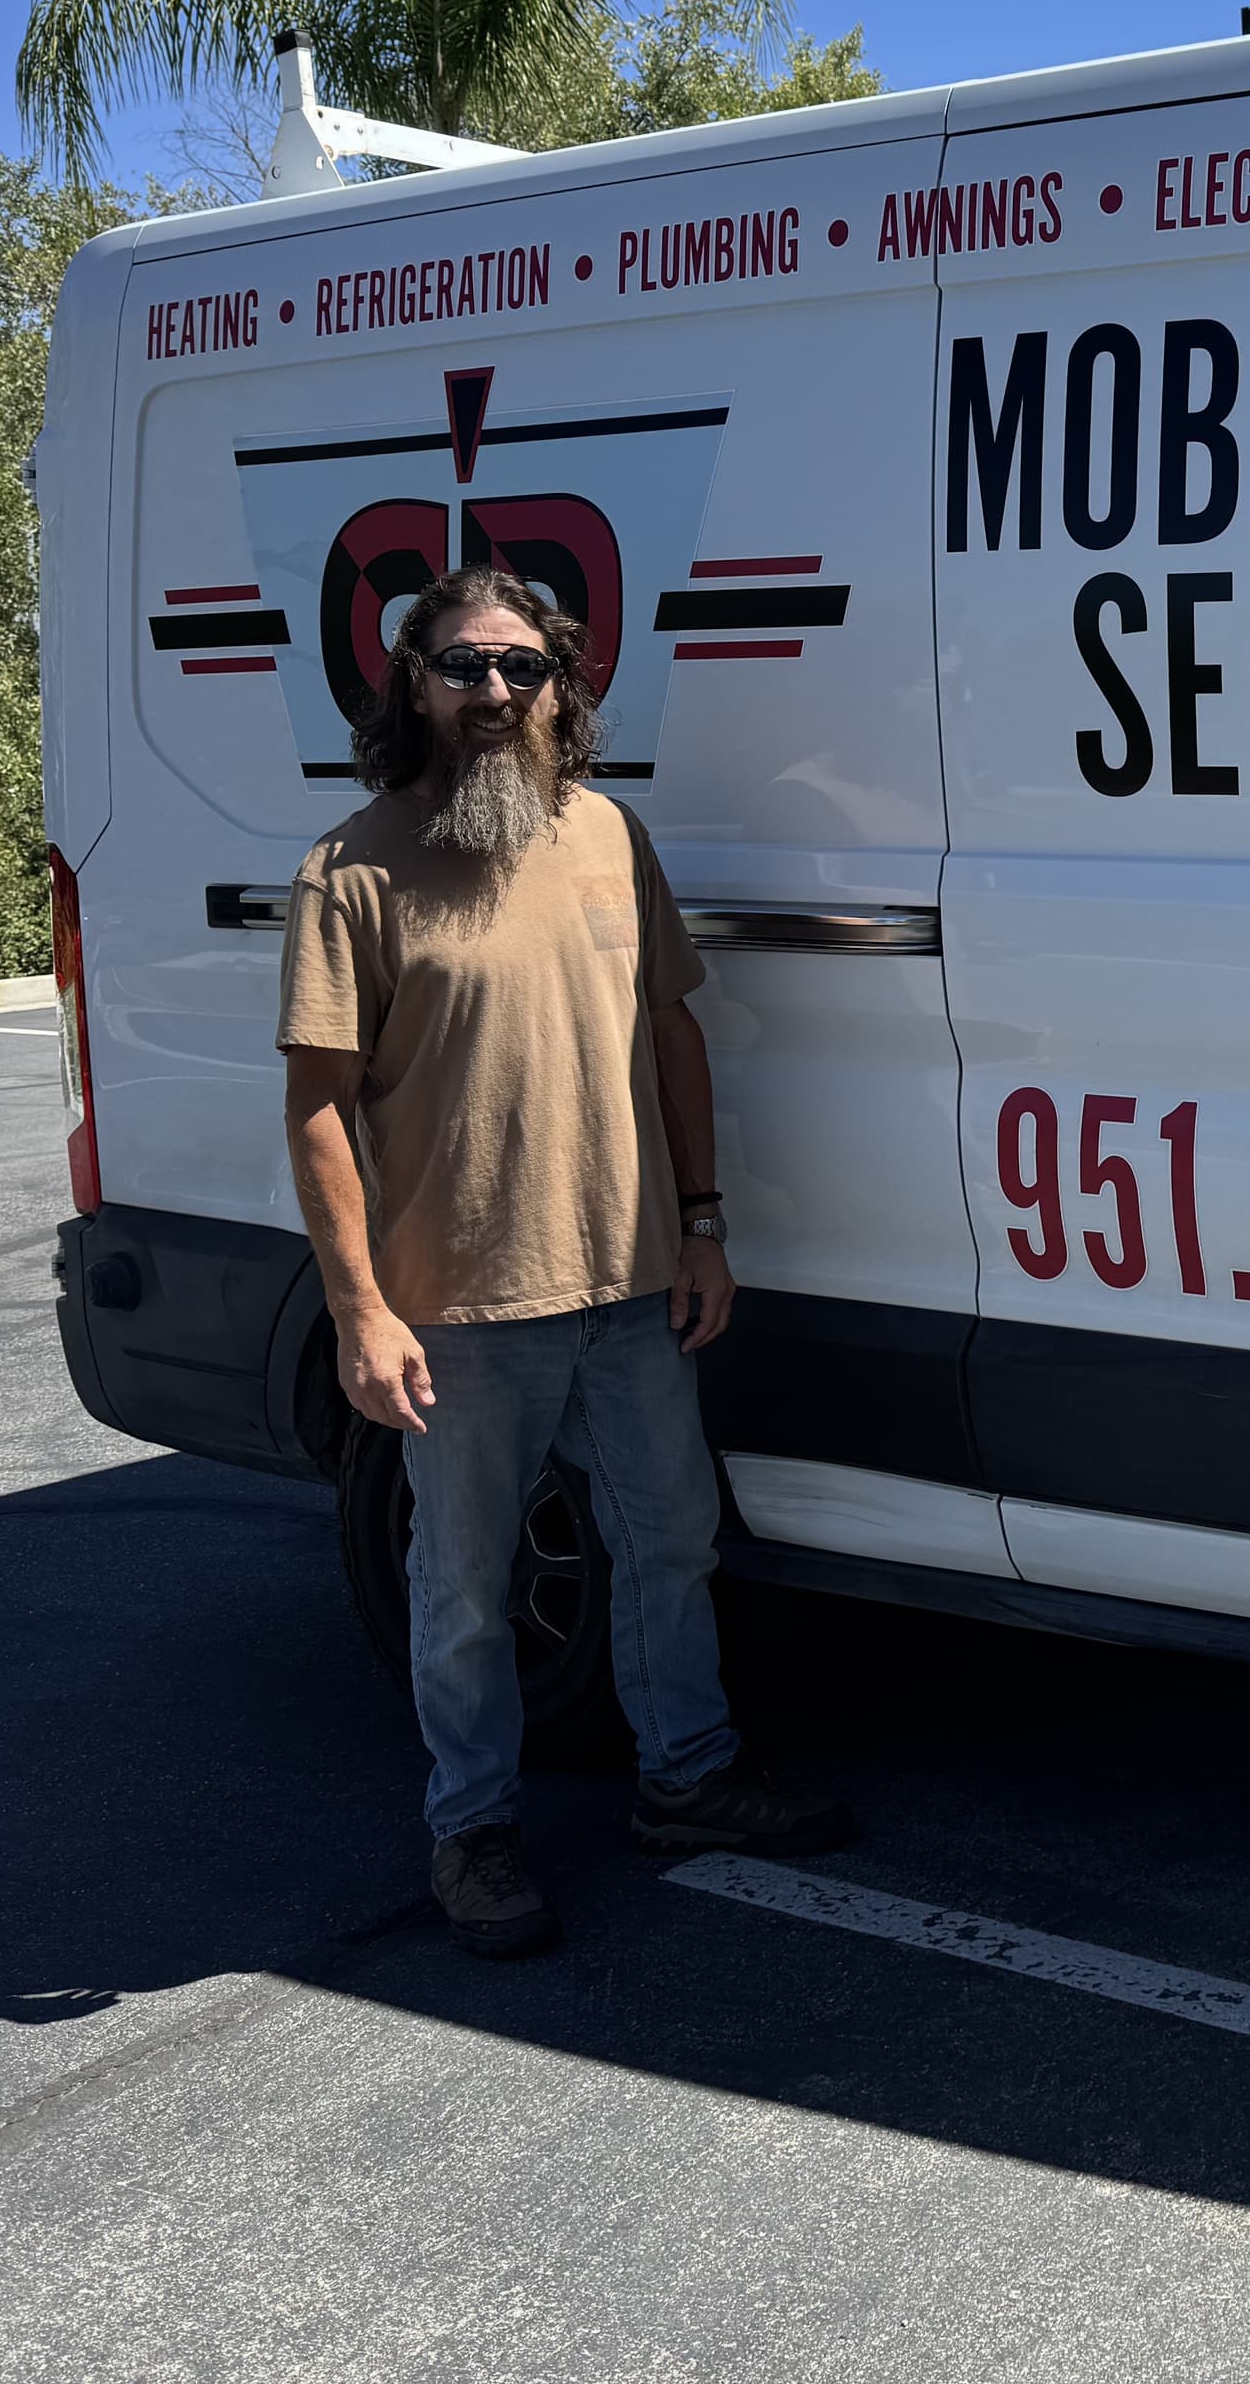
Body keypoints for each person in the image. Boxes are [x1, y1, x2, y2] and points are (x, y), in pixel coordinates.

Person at [277, 563, 846, 1958]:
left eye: (521, 670)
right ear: (412, 682)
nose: (493, 694)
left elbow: (673, 1036)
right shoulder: (353, 869)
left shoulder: (605, 835)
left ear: (560, 689)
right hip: (458, 1308)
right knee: (463, 1588)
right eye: (464, 667)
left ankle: (686, 1782)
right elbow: (316, 1105)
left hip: (632, 1289)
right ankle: (471, 1833)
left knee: (671, 1545)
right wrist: (359, 1313)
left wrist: (702, 1224)